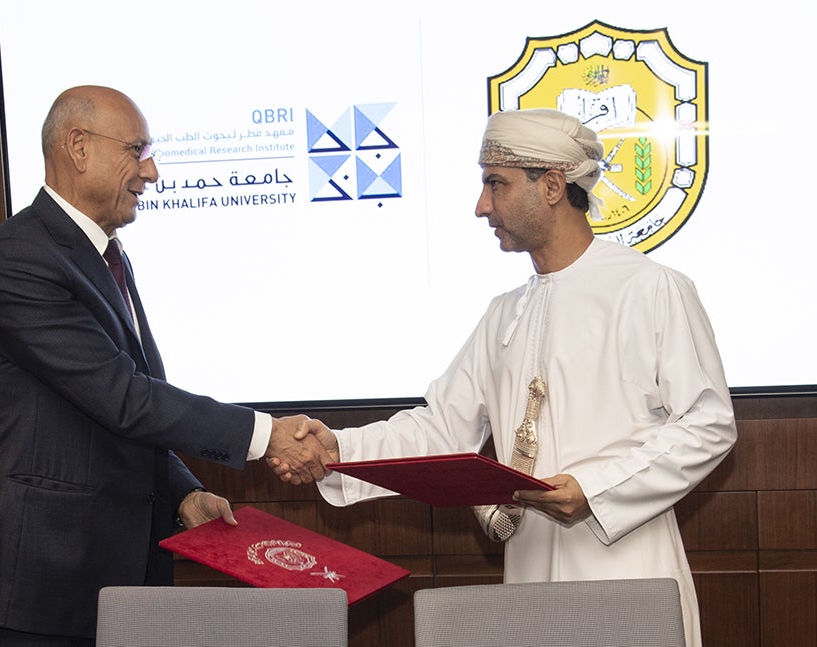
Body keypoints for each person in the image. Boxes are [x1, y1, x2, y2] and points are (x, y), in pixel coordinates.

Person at [270, 108, 737, 647]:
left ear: (554, 186)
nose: (481, 206)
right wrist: (336, 448)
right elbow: (442, 428)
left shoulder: (652, 288)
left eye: (497, 183)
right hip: (530, 573)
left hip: (627, 562)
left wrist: (597, 489)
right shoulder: (504, 312)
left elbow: (708, 422)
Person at [0, 85, 333, 646]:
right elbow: (122, 398)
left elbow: (118, 408)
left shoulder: (104, 255)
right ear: (78, 147)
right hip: (38, 586)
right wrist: (266, 435)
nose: (151, 171)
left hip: (114, 578)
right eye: (137, 149)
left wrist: (181, 492)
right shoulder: (18, 259)